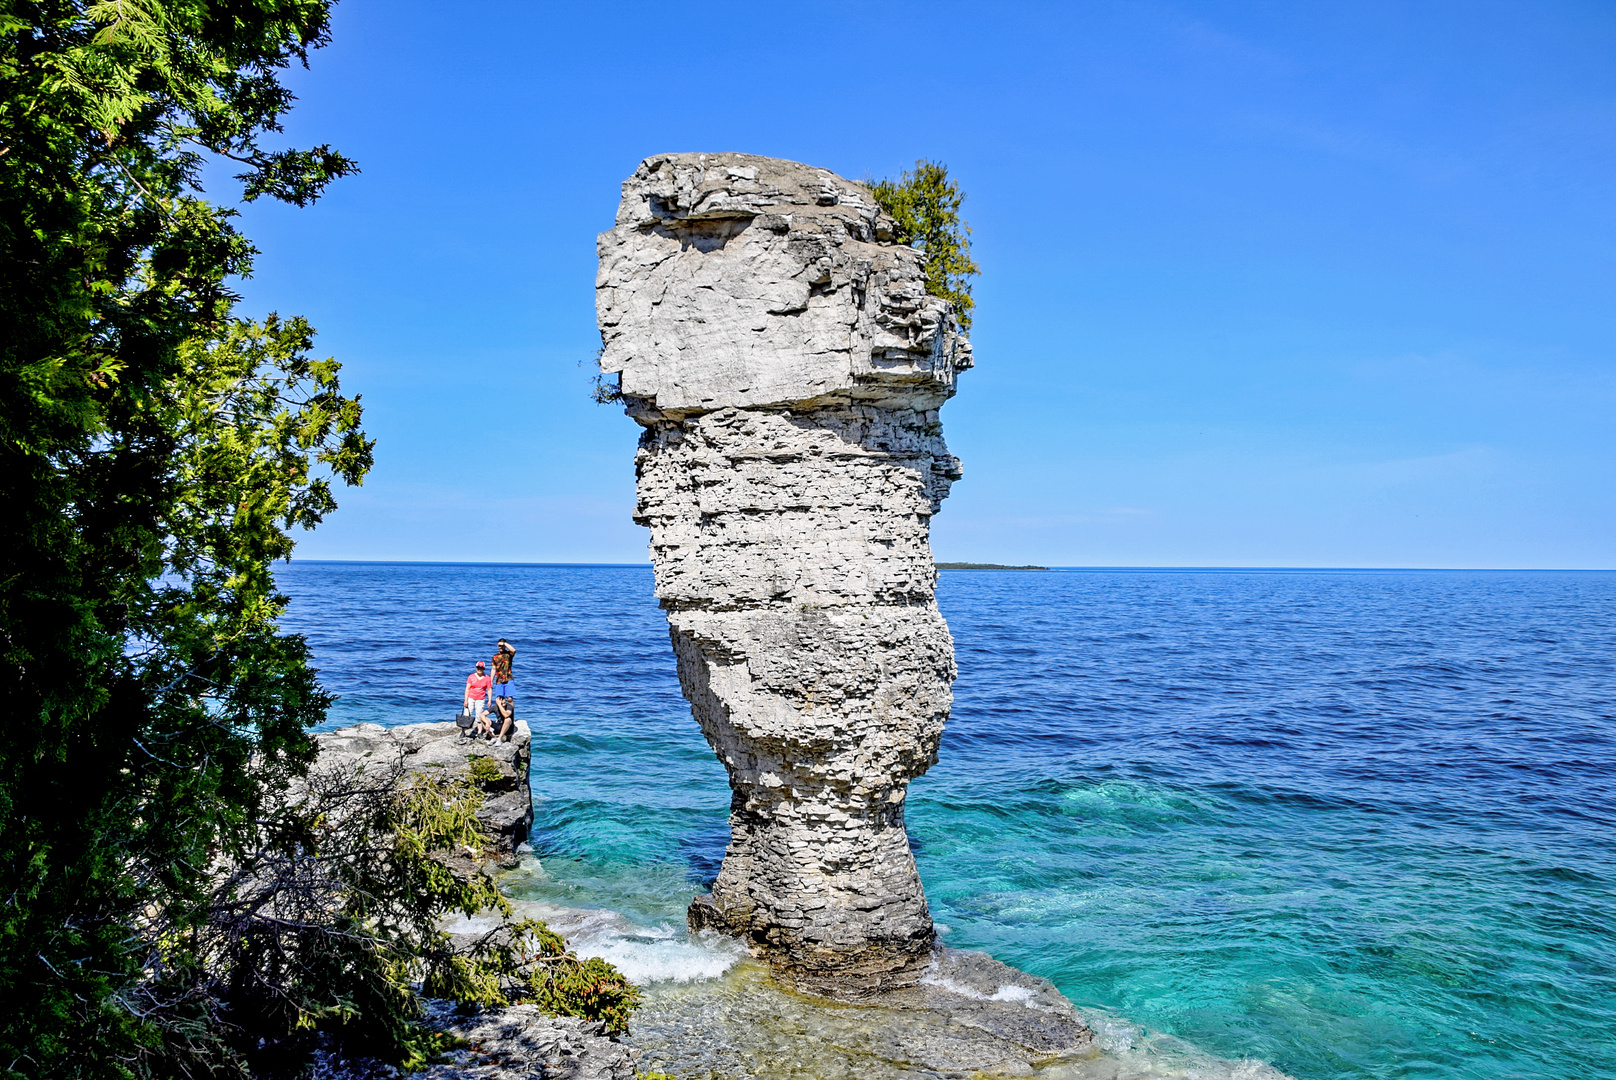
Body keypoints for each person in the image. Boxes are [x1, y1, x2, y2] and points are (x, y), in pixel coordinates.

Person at [463, 659, 491, 734]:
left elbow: (489, 689)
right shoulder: (471, 677)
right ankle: (463, 732)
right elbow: (467, 689)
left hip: (480, 699)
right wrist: (465, 700)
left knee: (479, 716)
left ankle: (479, 732)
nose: (479, 669)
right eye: (478, 668)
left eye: (481, 668)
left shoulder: (487, 678)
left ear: (483, 669)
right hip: (471, 698)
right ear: (476, 668)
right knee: (467, 714)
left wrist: (489, 700)